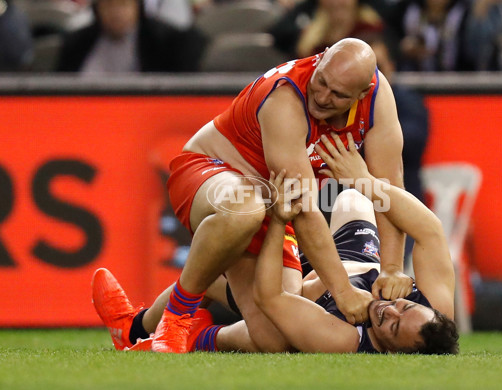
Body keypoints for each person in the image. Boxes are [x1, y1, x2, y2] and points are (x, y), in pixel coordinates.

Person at [93, 37, 408, 354]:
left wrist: (392, 268)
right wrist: (342, 291)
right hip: (209, 171)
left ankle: (135, 327)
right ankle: (177, 319)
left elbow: (389, 189)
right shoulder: (286, 98)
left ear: (363, 93)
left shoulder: (379, 98)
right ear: (321, 58)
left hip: (271, 204)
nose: (323, 96)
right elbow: (303, 207)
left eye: (337, 94)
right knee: (245, 209)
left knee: (278, 338)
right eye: (321, 81)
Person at [92, 131, 457, 354]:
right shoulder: (435, 311)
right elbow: (428, 229)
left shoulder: (342, 340)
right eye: (405, 308)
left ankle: (158, 331)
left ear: (395, 355)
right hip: (349, 261)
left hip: (299, 298)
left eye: (392, 326)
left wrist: (281, 222)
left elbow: (274, 298)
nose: (390, 309)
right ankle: (146, 326)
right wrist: (365, 182)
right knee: (355, 200)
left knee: (269, 335)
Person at [56, 0, 206, 74]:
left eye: (123, 4)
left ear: (137, 7)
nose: (116, 12)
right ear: (97, 9)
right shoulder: (77, 42)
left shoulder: (162, 40)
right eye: (108, 5)